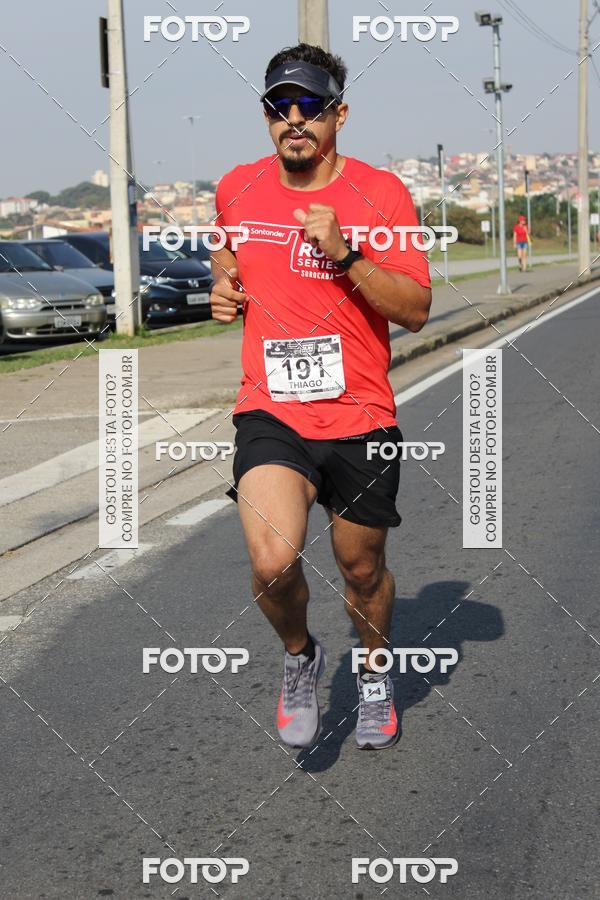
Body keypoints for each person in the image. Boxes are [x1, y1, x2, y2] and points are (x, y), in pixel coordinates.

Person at [209, 43, 431, 751]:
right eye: (280, 105)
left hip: (361, 413)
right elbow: (227, 252)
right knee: (272, 560)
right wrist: (223, 287)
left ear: (340, 114)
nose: (294, 119)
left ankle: (372, 670)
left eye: (310, 105)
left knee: (361, 568)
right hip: (271, 409)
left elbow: (417, 307)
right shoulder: (236, 187)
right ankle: (301, 655)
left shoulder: (382, 195)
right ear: (266, 115)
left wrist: (347, 253)